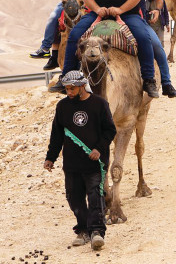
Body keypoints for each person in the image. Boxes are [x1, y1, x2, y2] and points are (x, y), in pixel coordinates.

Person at [51, 0, 159, 97]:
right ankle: (67, 77)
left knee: (143, 37)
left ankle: (149, 79)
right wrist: (97, 9)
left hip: (128, 14)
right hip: (99, 14)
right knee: (74, 35)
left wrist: (121, 9)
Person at [44, 71, 116, 251]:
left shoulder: (99, 104)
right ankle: (83, 230)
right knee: (74, 198)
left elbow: (110, 130)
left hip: (94, 163)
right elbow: (57, 134)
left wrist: (98, 149)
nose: (69, 92)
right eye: (67, 89)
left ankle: (97, 232)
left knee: (95, 196)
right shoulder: (62, 107)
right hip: (72, 163)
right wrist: (50, 157)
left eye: (72, 89)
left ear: (82, 86)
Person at [127, 0, 176, 98]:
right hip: (116, 16)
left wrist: (157, 9)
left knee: (156, 46)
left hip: (139, 19)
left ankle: (166, 83)